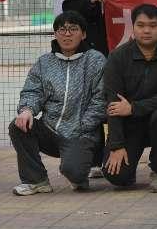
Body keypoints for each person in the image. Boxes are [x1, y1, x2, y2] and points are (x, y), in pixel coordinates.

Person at [9, 11, 106, 195]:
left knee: (74, 173)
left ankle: (77, 171)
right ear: (55, 34)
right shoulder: (44, 62)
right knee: (18, 126)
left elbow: (101, 100)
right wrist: (27, 110)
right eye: (62, 29)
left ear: (84, 34)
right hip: (50, 130)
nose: (67, 34)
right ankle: (36, 180)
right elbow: (32, 91)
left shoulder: (95, 60)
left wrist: (83, 126)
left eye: (73, 29)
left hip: (81, 134)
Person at [101, 4, 157, 193]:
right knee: (117, 176)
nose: (146, 30)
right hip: (129, 126)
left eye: (153, 25)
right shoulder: (117, 57)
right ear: (133, 27)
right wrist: (116, 145)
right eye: (141, 25)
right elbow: (114, 105)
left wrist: (134, 108)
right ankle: (128, 169)